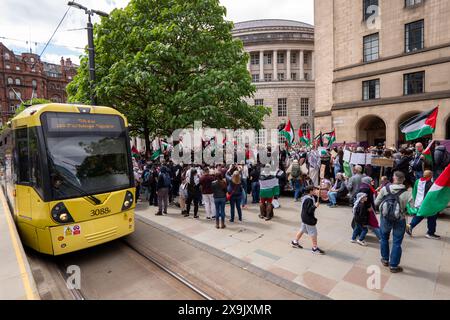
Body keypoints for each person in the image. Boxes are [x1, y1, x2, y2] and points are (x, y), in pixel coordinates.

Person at [375, 171, 411, 273]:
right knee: (397, 242)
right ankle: (394, 266)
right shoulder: (408, 193)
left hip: (385, 218)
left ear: (393, 179)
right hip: (400, 219)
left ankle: (385, 259)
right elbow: (413, 208)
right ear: (403, 180)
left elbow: (376, 202)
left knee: (384, 238)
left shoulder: (384, 189)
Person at [406, 170, 440, 239]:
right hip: (427, 204)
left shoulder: (417, 181)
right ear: (430, 176)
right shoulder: (431, 184)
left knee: (420, 215)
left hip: (419, 202)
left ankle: (410, 225)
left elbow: (414, 191)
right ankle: (430, 233)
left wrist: (415, 201)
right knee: (432, 216)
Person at [291, 185, 325, 255]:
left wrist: (319, 196)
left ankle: (295, 242)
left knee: (302, 229)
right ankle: (314, 248)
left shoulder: (307, 196)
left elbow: (317, 199)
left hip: (304, 217)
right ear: (310, 191)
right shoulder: (308, 199)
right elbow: (309, 210)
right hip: (308, 218)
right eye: (314, 190)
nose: (316, 191)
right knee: (313, 233)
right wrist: (315, 206)